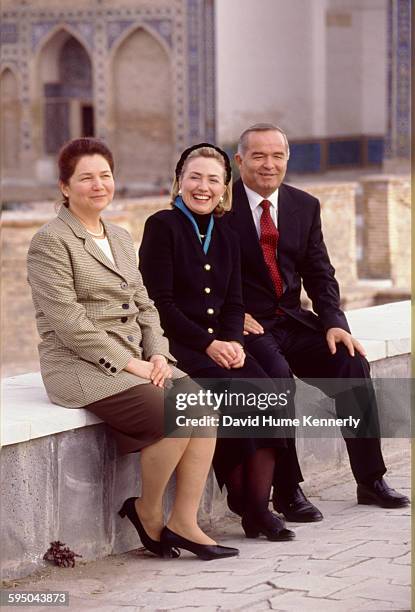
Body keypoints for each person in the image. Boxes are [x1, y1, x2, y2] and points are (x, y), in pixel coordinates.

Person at [26, 137, 239, 561]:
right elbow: (69, 323)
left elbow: (146, 305)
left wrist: (158, 353)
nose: (99, 185)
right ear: (65, 187)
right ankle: (146, 512)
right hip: (79, 365)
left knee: (203, 406)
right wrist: (130, 364)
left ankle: (183, 521)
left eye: (105, 175)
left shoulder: (120, 237)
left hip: (137, 360)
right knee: (179, 412)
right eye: (86, 177)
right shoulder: (51, 242)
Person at [228, 122, 409, 519]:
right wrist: (230, 316)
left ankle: (370, 479)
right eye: (258, 156)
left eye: (277, 156)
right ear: (239, 161)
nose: (268, 165)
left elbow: (320, 272)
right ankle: (287, 491)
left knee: (351, 363)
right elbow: (202, 273)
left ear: (288, 160)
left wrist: (334, 321)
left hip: (293, 319)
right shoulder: (221, 208)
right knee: (278, 381)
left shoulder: (303, 205)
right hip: (248, 326)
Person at [139, 143, 295, 542]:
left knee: (266, 392)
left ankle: (257, 507)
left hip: (221, 343)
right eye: (195, 177)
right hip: (180, 347)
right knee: (235, 393)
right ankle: (249, 506)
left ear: (225, 186)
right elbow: (160, 303)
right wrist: (209, 344)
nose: (203, 187)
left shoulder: (227, 233)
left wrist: (232, 340)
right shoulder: (162, 226)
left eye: (213, 180)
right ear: (179, 181)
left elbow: (234, 300)